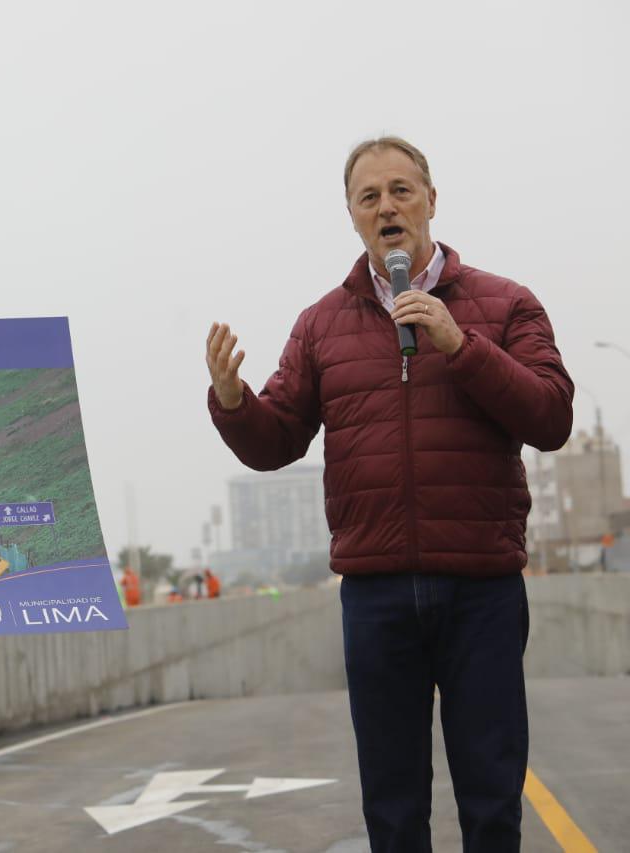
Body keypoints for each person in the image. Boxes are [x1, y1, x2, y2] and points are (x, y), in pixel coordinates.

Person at [205, 136, 573, 851]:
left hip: (483, 590)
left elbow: (552, 416)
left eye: (401, 190)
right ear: (351, 214)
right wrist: (232, 401)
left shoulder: (504, 303)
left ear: (432, 201)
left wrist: (462, 347)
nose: (387, 207)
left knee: (493, 800)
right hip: (375, 597)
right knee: (394, 810)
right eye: (369, 196)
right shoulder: (321, 324)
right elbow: (278, 436)